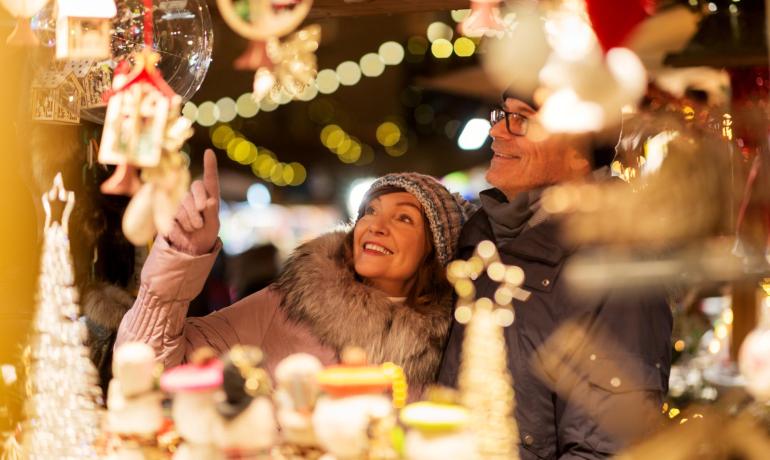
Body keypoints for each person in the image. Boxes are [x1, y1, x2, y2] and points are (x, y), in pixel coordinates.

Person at [116, 150, 469, 396]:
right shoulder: (287, 306)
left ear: (435, 251)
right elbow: (147, 366)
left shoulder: (450, 346)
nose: (375, 225)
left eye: (404, 218)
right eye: (370, 211)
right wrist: (182, 256)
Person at [437, 94, 673, 459]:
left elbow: (607, 448)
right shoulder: (478, 238)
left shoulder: (616, 259)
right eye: (502, 115)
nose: (497, 130)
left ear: (579, 149)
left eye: (522, 119)